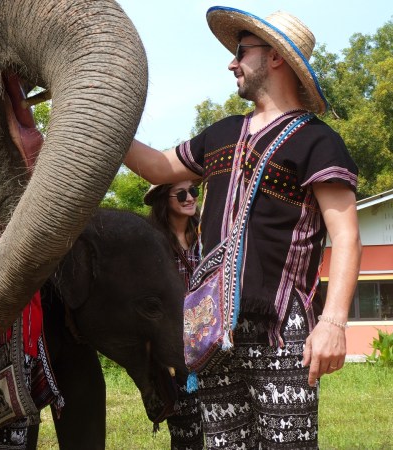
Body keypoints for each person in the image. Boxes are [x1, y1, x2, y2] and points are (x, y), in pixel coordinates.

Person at [123, 7, 361, 448]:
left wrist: (334, 323)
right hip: (213, 327)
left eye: (241, 52)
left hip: (281, 329)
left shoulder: (318, 140)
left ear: (274, 58)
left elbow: (346, 235)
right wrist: (101, 119)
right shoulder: (221, 133)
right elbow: (157, 167)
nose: (232, 62)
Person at [144, 182, 204, 450]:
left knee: (221, 427)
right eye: (181, 194)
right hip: (175, 350)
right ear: (163, 200)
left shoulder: (207, 236)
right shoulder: (151, 245)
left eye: (194, 191)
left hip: (212, 344)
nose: (190, 197)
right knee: (186, 434)